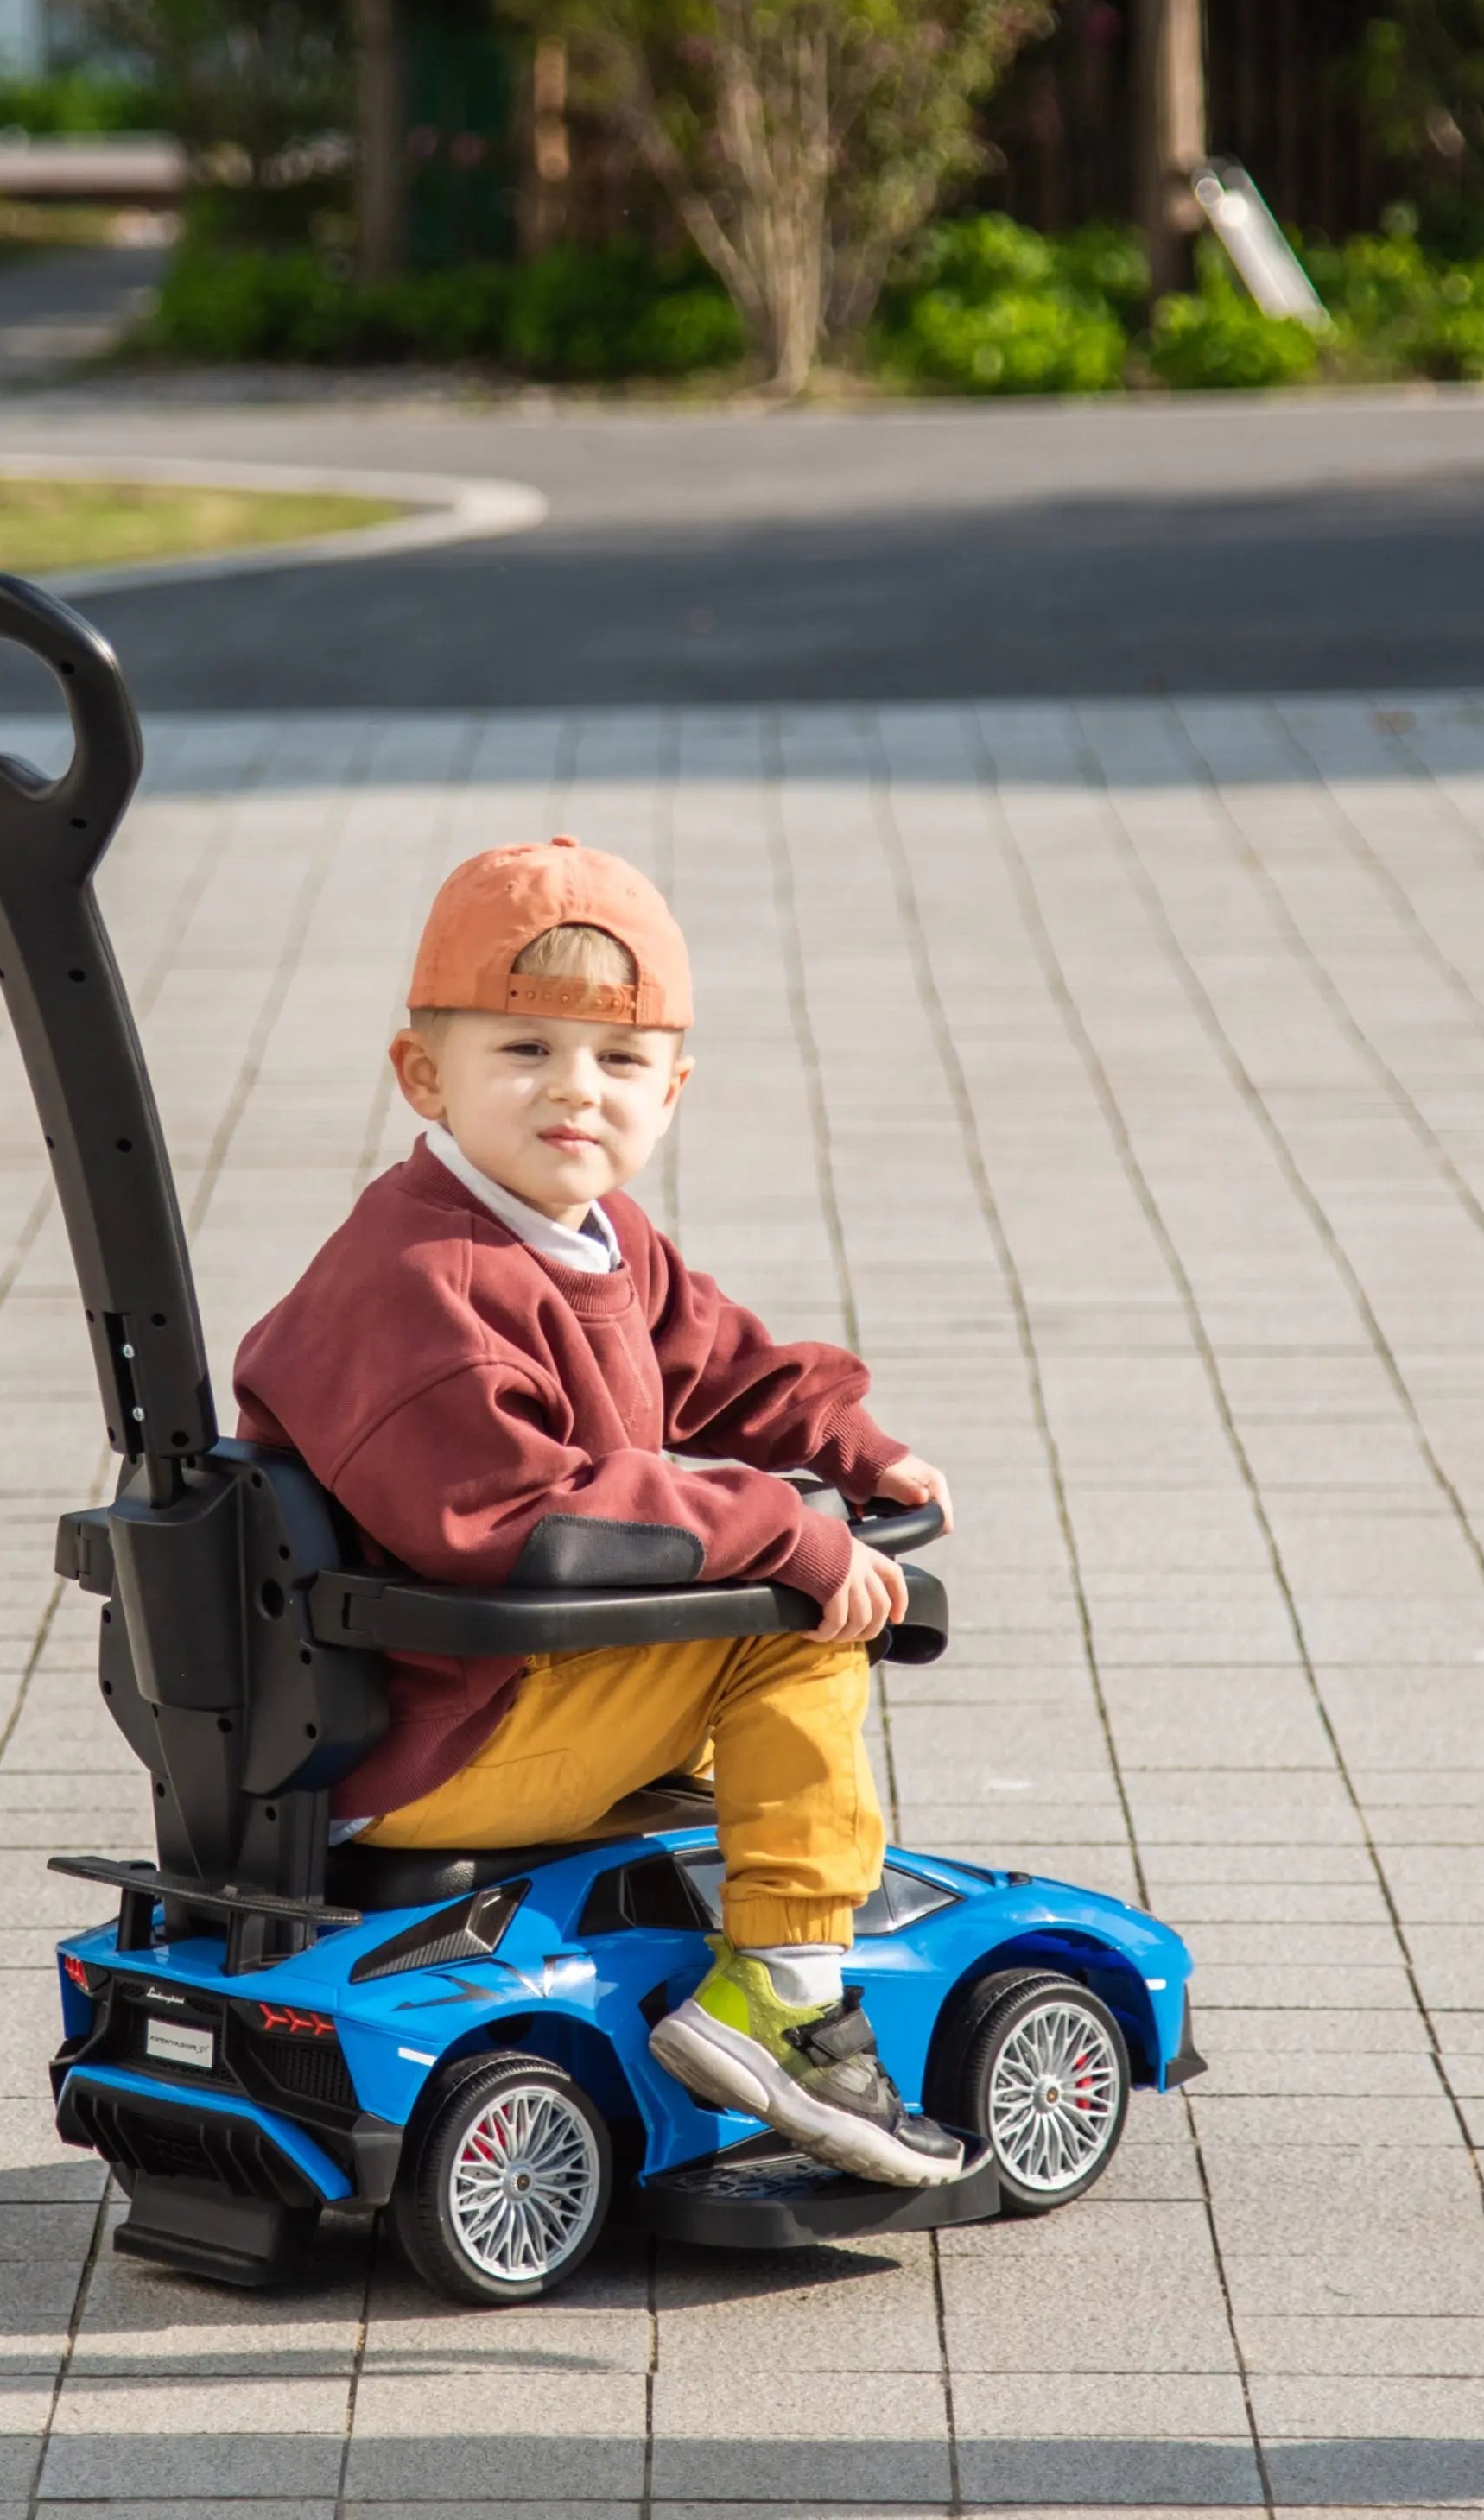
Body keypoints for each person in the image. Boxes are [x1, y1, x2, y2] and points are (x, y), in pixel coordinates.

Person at [232, 838, 968, 2188]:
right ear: (424, 1075)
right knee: (799, 1631)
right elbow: (527, 1527)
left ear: (671, 1091)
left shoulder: (593, 1235)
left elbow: (717, 1361)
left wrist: (845, 1445)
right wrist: (791, 1531)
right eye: (524, 1052)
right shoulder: (422, 1286)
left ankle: (740, 1915)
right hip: (429, 1742)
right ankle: (787, 2003)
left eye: (619, 1063)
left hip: (498, 1688)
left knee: (775, 1599)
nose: (576, 1091)